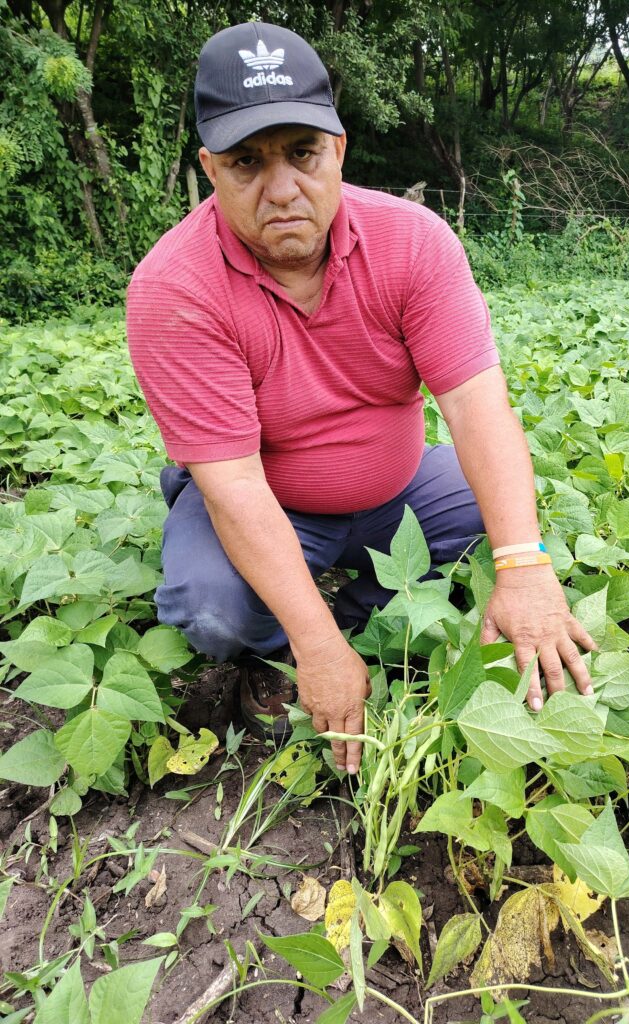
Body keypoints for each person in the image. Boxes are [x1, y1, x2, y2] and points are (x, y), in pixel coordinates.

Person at [126, 21, 596, 776]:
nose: (282, 189)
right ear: (210, 168)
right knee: (210, 608)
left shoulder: (413, 242)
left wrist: (524, 568)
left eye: (302, 153)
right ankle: (286, 647)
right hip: (267, 494)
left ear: (338, 149)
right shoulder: (174, 289)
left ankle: (358, 621)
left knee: (513, 529)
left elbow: (477, 407)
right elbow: (238, 485)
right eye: (248, 162)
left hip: (400, 480)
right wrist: (313, 648)